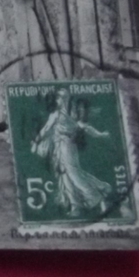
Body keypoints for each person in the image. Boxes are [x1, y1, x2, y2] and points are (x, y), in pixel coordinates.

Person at [31, 88, 112, 217]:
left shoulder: (64, 115)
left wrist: (100, 135)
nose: (59, 100)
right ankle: (77, 205)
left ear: (63, 100)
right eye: (58, 98)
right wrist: (100, 134)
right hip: (60, 147)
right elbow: (47, 129)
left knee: (73, 174)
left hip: (66, 146)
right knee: (66, 175)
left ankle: (95, 197)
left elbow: (83, 127)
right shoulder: (64, 114)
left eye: (60, 98)